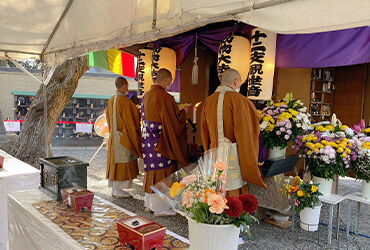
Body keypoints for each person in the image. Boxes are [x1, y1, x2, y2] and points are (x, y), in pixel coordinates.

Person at [201, 68, 267, 197]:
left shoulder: (208, 101)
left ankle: (214, 214)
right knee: (233, 193)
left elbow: (204, 132)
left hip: (214, 151)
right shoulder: (241, 101)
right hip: (233, 153)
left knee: (215, 190)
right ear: (236, 81)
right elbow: (249, 133)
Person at [142, 68, 188, 216]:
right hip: (162, 141)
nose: (171, 84)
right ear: (167, 79)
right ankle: (160, 208)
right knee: (163, 170)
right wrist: (183, 113)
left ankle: (149, 204)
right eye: (171, 81)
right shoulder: (165, 97)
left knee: (151, 170)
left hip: (148, 141)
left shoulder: (147, 95)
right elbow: (173, 122)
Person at [106, 77, 142, 198]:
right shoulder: (125, 101)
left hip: (113, 136)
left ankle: (114, 188)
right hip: (122, 137)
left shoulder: (110, 100)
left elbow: (108, 119)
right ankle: (118, 189)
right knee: (123, 161)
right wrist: (140, 111)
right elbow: (133, 119)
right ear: (125, 87)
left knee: (115, 162)